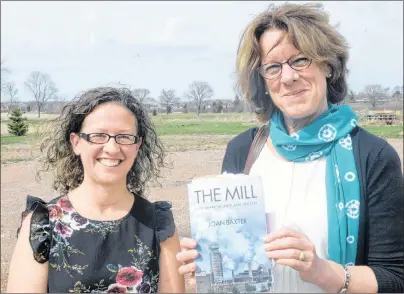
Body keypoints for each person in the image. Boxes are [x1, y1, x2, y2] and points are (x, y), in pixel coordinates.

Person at [176, 2, 403, 293]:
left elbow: (395, 279)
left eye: (300, 60)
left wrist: (323, 272)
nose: (288, 77)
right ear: (262, 80)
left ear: (328, 64)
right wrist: (212, 274)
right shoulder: (243, 150)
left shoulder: (372, 156)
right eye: (273, 67)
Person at [7, 87, 185, 293]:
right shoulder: (42, 224)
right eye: (98, 136)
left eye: (124, 137)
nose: (112, 148)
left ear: (138, 146)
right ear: (76, 143)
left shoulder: (159, 226)